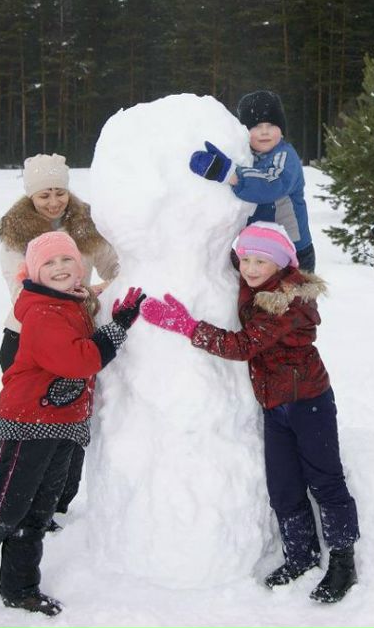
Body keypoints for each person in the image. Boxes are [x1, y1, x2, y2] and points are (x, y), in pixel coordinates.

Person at [140, 222, 359, 603]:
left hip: (309, 402)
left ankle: (343, 560)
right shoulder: (260, 282)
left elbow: (243, 346)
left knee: (325, 481)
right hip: (275, 405)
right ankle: (300, 555)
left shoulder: (288, 301)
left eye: (261, 261)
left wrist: (189, 326)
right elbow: (230, 246)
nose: (251, 268)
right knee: (284, 487)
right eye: (245, 260)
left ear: (281, 263)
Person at [0, 230, 145, 615]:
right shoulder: (43, 312)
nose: (59, 268)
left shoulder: (72, 301)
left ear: (79, 267)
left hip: (63, 421)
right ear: (33, 272)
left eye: (67, 261)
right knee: (7, 503)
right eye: (49, 263)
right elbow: (80, 361)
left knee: (38, 511)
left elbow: (89, 304)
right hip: (29, 421)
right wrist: (118, 329)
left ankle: (20, 587)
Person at [0, 152, 120, 530]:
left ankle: (52, 507)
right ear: (30, 195)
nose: (53, 202)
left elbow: (116, 265)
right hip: (27, 341)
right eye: (44, 194)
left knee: (69, 427)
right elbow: (20, 290)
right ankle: (10, 507)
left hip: (75, 343)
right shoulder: (17, 231)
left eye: (59, 192)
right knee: (31, 435)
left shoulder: (84, 224)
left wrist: (106, 290)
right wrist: (74, 301)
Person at [187, 90, 316, 272]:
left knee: (292, 300)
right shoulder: (246, 157)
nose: (264, 131)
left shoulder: (285, 156)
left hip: (291, 253)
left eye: (271, 124)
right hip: (255, 254)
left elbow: (271, 184)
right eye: (255, 126)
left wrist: (228, 173)